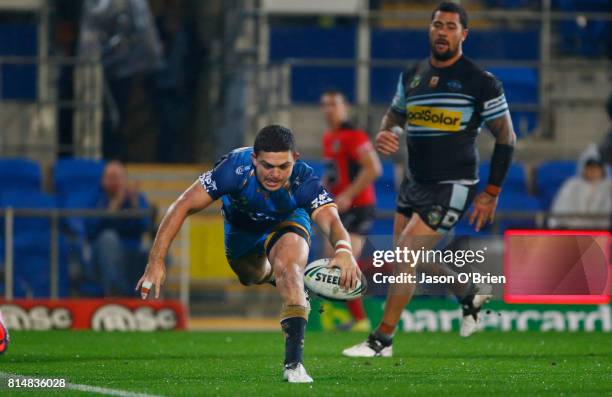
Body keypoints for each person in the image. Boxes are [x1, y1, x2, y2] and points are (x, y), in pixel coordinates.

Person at [343, 2, 517, 357]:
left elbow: (507, 137)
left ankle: (382, 339)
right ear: (429, 29)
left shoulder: (480, 82)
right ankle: (469, 294)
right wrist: (385, 133)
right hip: (414, 182)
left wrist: (492, 192)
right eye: (437, 25)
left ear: (463, 34)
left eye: (451, 26)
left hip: (454, 185)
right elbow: (393, 117)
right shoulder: (413, 75)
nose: (442, 31)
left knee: (406, 251)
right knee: (411, 258)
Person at [136, 125, 361, 383]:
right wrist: (156, 261)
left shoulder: (303, 180)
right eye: (267, 166)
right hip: (241, 227)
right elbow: (183, 205)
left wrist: (344, 250)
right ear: (254, 159)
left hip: (286, 219)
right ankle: (276, 277)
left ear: (295, 159)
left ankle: (294, 365)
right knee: (252, 275)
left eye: (283, 166)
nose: (275, 174)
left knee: (290, 270)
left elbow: (331, 221)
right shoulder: (234, 169)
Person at [320, 90, 382, 332]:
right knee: (333, 261)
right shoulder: (330, 137)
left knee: (344, 261)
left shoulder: (355, 136)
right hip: (341, 207)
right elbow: (335, 172)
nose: (328, 109)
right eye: (325, 105)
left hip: (360, 207)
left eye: (333, 104)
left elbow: (373, 169)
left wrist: (347, 194)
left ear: (345, 107)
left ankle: (361, 320)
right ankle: (357, 318)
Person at [85, 160, 151, 296]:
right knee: (109, 238)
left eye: (118, 178)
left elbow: (145, 226)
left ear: (125, 180)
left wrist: (134, 207)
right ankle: (116, 295)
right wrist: (112, 208)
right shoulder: (95, 197)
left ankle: (152, 298)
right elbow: (90, 228)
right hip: (102, 256)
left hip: (132, 253)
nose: (114, 182)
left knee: (158, 251)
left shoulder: (136, 198)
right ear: (103, 180)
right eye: (110, 178)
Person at [549, 158, 611, 230]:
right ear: (584, 170)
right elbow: (561, 205)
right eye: (590, 169)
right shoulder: (571, 184)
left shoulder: (609, 185)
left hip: (603, 229)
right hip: (574, 228)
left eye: (596, 169)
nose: (593, 171)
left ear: (602, 171)